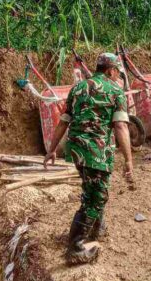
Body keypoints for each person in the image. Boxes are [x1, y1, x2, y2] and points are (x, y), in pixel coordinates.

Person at [44, 53, 134, 265]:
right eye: (117, 72)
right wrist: (129, 159)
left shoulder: (77, 88)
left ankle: (95, 229)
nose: (117, 75)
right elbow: (121, 126)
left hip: (76, 149)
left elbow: (64, 121)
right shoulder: (115, 91)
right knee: (97, 197)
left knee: (92, 188)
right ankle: (76, 246)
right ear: (111, 70)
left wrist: (52, 149)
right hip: (96, 152)